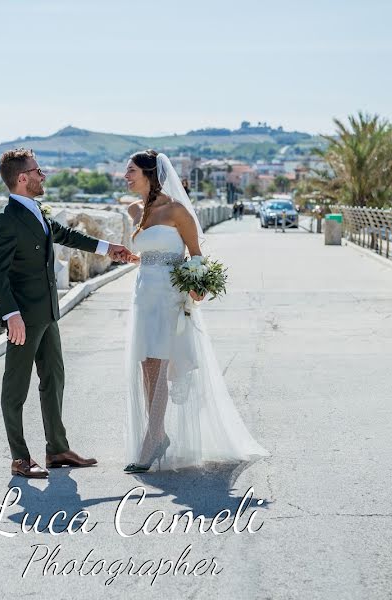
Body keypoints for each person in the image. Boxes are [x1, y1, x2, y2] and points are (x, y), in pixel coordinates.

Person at [0, 148, 135, 478]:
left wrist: (107, 248)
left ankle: (57, 449)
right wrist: (11, 316)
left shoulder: (36, 211)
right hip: (24, 318)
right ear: (22, 178)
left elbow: (64, 234)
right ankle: (19, 458)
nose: (43, 176)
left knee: (54, 379)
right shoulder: (5, 221)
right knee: (16, 387)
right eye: (38, 171)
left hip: (48, 313)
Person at [121, 150, 269, 472]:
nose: (126, 176)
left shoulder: (177, 211)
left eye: (131, 171)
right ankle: (158, 433)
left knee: (160, 364)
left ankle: (152, 439)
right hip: (144, 294)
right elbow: (149, 251)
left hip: (170, 297)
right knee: (147, 364)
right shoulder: (137, 209)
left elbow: (196, 255)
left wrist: (197, 285)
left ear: (150, 174)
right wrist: (137, 259)